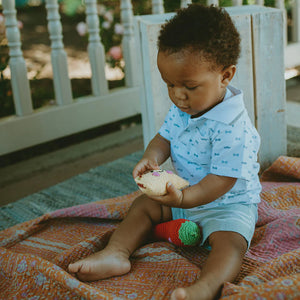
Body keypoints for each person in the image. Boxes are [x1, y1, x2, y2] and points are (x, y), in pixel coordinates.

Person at [68, 4, 261, 300]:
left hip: (227, 205)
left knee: (230, 243)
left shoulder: (234, 127)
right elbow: (164, 138)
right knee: (143, 206)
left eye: (190, 86)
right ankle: (116, 253)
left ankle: (206, 287)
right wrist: (152, 158)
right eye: (169, 84)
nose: (178, 95)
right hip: (182, 196)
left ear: (226, 75)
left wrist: (185, 198)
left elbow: (222, 180)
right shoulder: (183, 109)